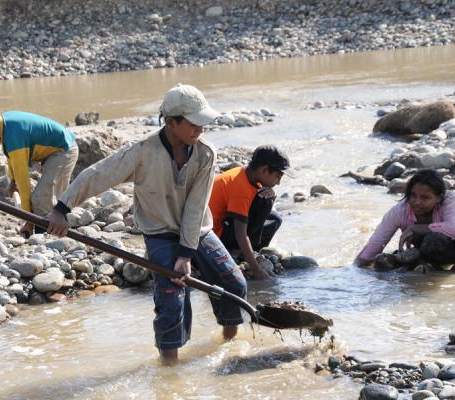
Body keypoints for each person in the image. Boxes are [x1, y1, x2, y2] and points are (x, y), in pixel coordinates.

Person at [46, 84, 247, 364]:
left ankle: (229, 349)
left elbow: (195, 207)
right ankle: (169, 370)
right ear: (171, 122)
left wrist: (186, 254)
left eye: (202, 122)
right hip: (160, 233)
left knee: (234, 284)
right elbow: (99, 175)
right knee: (171, 302)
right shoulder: (142, 152)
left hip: (198, 231)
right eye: (193, 123)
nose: (200, 128)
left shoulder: (205, 154)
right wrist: (61, 208)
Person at [355, 168, 455, 271]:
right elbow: (377, 242)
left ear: (439, 198)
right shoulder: (400, 210)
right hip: (427, 249)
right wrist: (356, 268)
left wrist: (416, 228)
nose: (417, 202)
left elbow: (452, 229)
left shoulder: (451, 201)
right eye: (413, 195)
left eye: (425, 198)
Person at [0, 101, 79, 238]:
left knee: (40, 199)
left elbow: (24, 188)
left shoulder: (13, 134)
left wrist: (28, 222)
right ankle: (52, 227)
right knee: (45, 196)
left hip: (64, 150)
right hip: (51, 152)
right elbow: (10, 157)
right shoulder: (6, 125)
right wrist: (12, 181)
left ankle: (47, 236)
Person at [209, 145, 292, 279]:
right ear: (264, 170)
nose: (279, 183)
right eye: (278, 177)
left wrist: (272, 196)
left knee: (275, 218)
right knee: (265, 202)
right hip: (214, 237)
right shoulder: (240, 187)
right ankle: (240, 254)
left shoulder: (246, 174)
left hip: (223, 224)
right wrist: (256, 269)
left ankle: (249, 252)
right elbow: (240, 233)